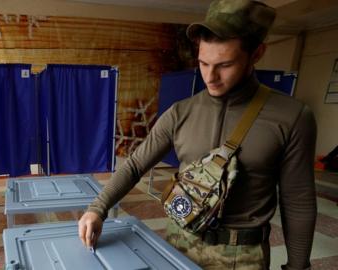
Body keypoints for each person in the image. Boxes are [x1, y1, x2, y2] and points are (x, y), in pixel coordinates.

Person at [78, 0, 317, 269]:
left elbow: (297, 201)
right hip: (179, 242)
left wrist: (298, 266)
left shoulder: (291, 117)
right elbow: (134, 165)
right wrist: (97, 208)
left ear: (257, 53)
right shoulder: (181, 112)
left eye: (225, 65)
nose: (210, 76)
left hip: (243, 256)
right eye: (203, 63)